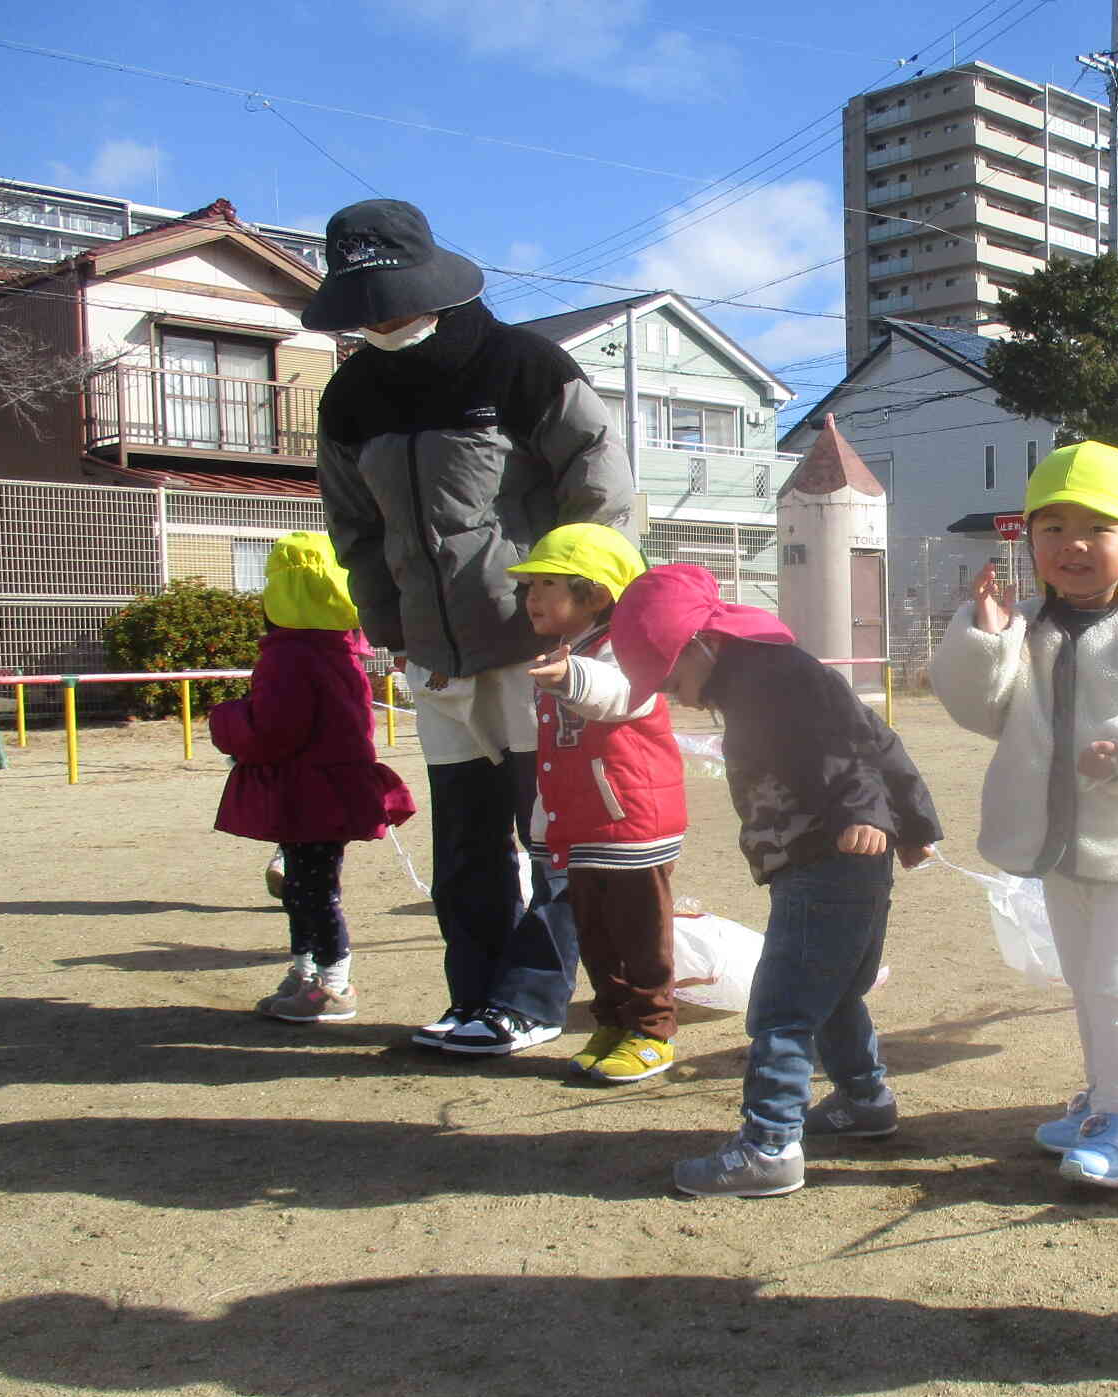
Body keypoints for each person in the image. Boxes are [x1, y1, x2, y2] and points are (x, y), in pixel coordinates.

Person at [306, 198, 636, 1056]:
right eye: (362, 301)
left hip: (540, 649)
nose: (379, 317)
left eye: (392, 295)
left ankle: (532, 999)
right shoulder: (347, 399)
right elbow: (355, 529)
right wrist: (390, 626)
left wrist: (581, 611)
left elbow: (601, 492)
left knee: (553, 836)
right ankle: (475, 996)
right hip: (434, 655)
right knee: (463, 844)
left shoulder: (522, 365)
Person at [930, 441, 1118, 1188]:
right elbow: (982, 707)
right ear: (1030, 540)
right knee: (1086, 980)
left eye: (1097, 527)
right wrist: (988, 635)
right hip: (1057, 846)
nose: (1073, 544)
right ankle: (1102, 1098)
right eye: (1053, 526)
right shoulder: (1027, 627)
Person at [611, 565, 942, 1198]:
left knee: (783, 1005)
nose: (677, 695)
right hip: (838, 860)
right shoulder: (757, 679)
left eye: (674, 678)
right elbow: (880, 740)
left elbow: (846, 745)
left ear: (700, 644)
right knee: (836, 991)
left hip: (827, 860)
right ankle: (865, 1100)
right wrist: (914, 821)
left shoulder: (775, 680)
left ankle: (769, 1144)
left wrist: (866, 813)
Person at [503, 524, 687, 1080]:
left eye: (546, 584)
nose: (530, 597)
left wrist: (570, 675)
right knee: (594, 931)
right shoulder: (563, 652)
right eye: (529, 586)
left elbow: (618, 694)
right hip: (582, 824)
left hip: (631, 821)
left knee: (640, 933)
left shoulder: (627, 648)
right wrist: (544, 821)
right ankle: (611, 1019)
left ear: (596, 594)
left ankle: (652, 1030)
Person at [210, 532, 417, 1023]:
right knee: (307, 887)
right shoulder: (341, 651)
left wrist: (226, 720)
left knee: (312, 892)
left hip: (308, 793)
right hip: (329, 789)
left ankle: (332, 984)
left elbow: (275, 730)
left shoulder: (289, 656)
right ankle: (307, 974)